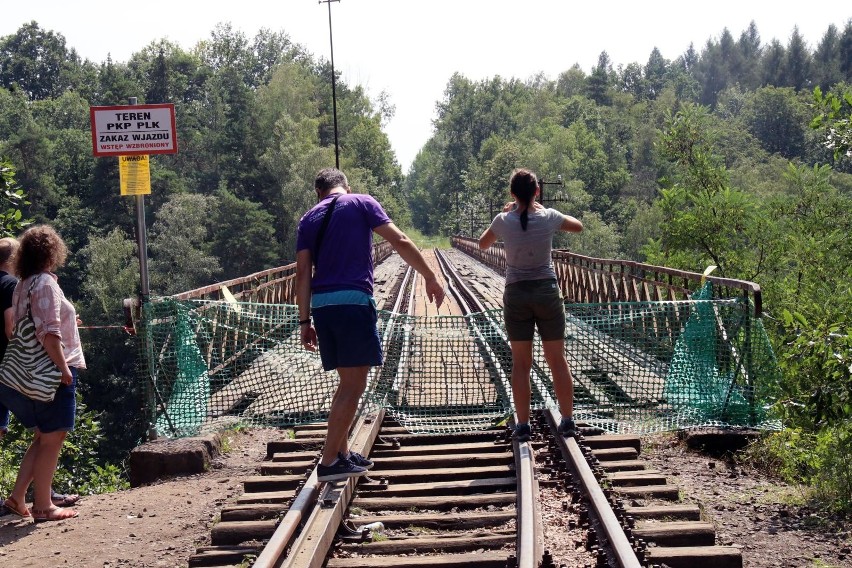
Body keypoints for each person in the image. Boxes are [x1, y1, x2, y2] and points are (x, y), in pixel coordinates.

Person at [296, 167, 445, 482]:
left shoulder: (308, 219)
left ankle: (342, 453)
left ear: (318, 192)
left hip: (323, 307)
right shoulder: (361, 203)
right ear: (345, 186)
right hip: (352, 303)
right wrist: (430, 275)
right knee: (353, 385)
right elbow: (400, 240)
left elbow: (302, 273)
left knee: (346, 381)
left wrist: (304, 320)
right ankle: (328, 463)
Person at [478, 168, 583, 442]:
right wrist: (544, 210)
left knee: (521, 363)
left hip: (517, 295)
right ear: (537, 191)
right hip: (547, 292)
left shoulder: (503, 220)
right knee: (557, 359)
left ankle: (523, 426)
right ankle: (568, 420)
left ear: (513, 194)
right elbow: (578, 226)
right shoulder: (548, 217)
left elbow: (483, 244)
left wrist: (508, 213)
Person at [0, 225, 84, 521]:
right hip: (50, 372)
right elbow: (49, 333)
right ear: (52, 252)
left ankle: (17, 497)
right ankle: (44, 505)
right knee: (54, 438)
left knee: (43, 437)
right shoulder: (46, 283)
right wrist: (64, 369)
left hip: (27, 374)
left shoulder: (23, 284)